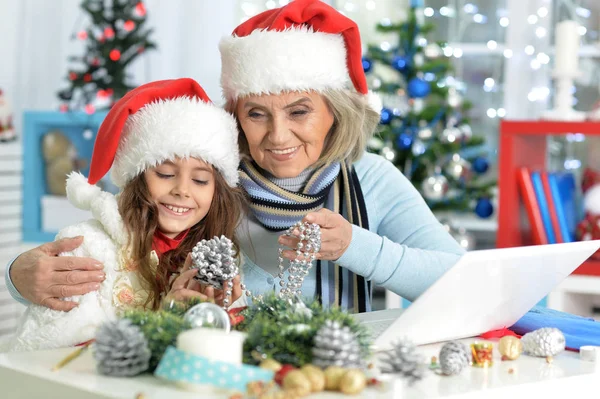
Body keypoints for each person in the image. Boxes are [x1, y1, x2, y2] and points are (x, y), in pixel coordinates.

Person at [5, 0, 464, 314]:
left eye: (299, 111)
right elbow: (101, 242)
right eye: (257, 113)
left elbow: (457, 282)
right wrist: (18, 277)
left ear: (335, 112)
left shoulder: (370, 179)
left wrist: (354, 246)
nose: (277, 135)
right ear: (237, 116)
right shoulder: (205, 176)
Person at [4, 78, 244, 351]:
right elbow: (48, 351)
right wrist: (167, 321)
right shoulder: (88, 247)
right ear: (137, 177)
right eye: (165, 174)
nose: (182, 191)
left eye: (200, 180)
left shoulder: (220, 254)